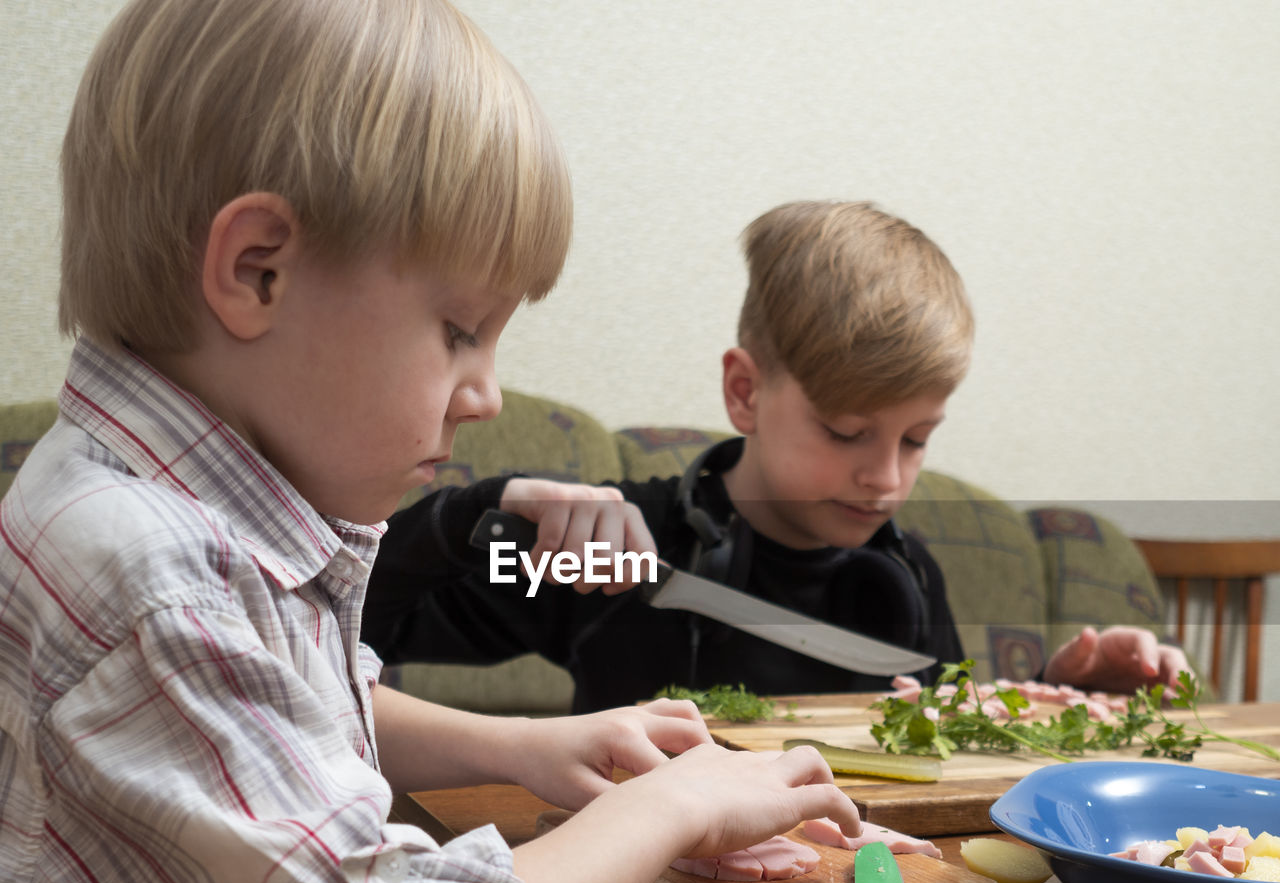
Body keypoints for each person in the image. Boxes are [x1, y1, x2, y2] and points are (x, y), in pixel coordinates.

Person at [0, 4, 860, 883]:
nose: (487, 390)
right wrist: (671, 807)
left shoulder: (184, 516)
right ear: (255, 269)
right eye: (460, 327)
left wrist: (526, 745)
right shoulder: (144, 572)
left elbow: (295, 702)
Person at [362, 201, 1190, 713]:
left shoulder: (905, 573)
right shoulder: (614, 547)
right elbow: (361, 620)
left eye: (917, 439)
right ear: (747, 392)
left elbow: (941, 741)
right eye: (845, 431)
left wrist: (1065, 693)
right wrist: (483, 515)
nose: (887, 478)